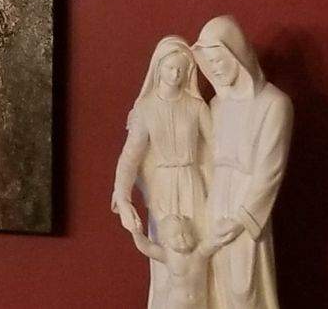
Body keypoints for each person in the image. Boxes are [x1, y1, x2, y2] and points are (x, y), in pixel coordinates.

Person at [193, 16, 292, 309]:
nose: (214, 69)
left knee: (245, 291)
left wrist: (241, 219)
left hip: (245, 209)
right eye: (209, 62)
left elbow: (270, 171)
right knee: (216, 288)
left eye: (219, 60)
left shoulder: (274, 104)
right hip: (214, 204)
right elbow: (205, 160)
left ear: (237, 55)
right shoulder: (217, 106)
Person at [112, 36, 213, 309]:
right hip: (163, 189)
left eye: (181, 69)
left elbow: (217, 149)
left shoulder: (196, 107)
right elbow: (130, 157)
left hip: (193, 185)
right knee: (166, 263)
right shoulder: (146, 109)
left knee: (200, 254)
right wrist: (123, 198)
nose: (175, 74)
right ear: (158, 67)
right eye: (170, 68)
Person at [128, 215, 225, 309]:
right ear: (165, 242)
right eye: (175, 236)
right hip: (176, 305)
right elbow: (147, 247)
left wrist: (223, 229)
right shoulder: (168, 256)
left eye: (185, 234)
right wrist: (137, 234)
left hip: (199, 304)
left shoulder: (200, 253)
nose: (182, 239)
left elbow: (214, 241)